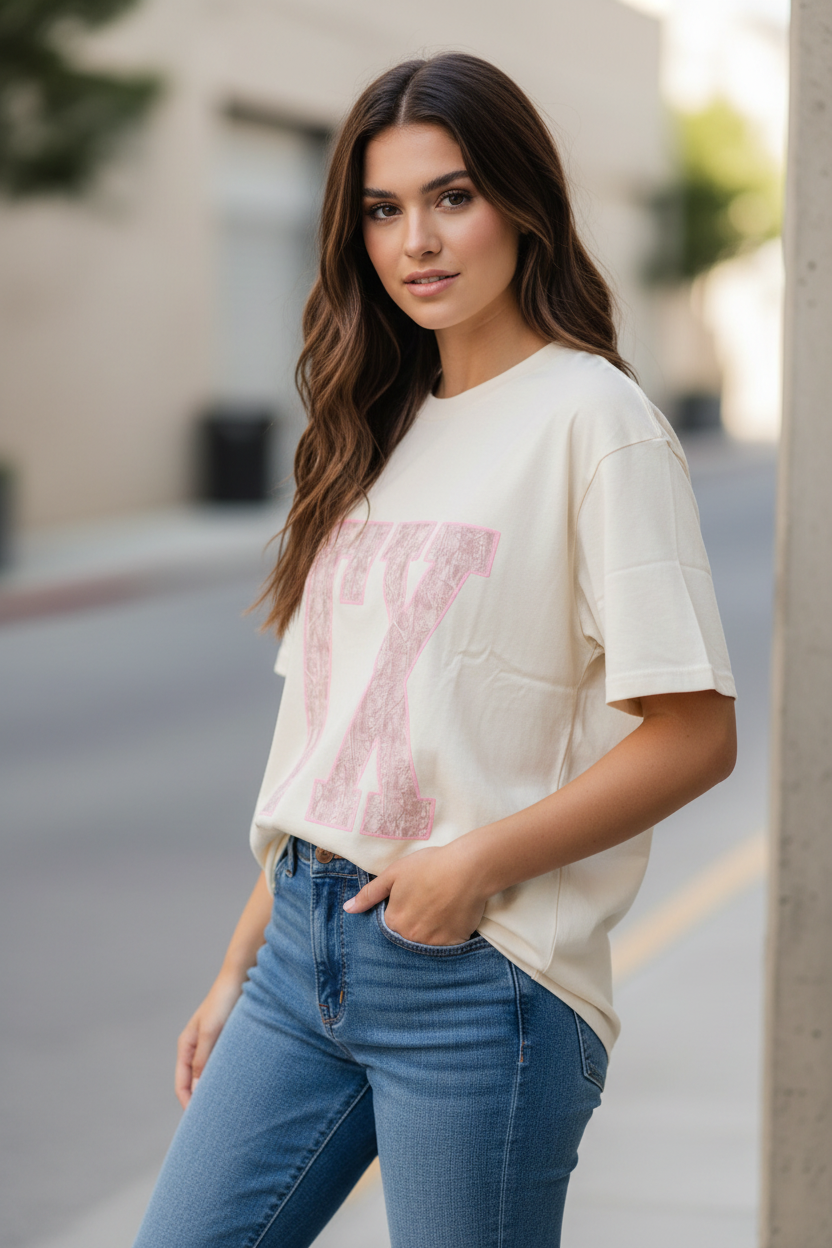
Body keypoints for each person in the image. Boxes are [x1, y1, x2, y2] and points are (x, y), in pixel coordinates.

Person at [134, 52, 736, 1248]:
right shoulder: (376, 428)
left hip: (479, 973)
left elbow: (695, 735)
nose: (416, 240)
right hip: (299, 956)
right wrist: (238, 964)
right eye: (383, 209)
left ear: (522, 204)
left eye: (451, 197)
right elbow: (333, 746)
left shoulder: (595, 422)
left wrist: (471, 865)